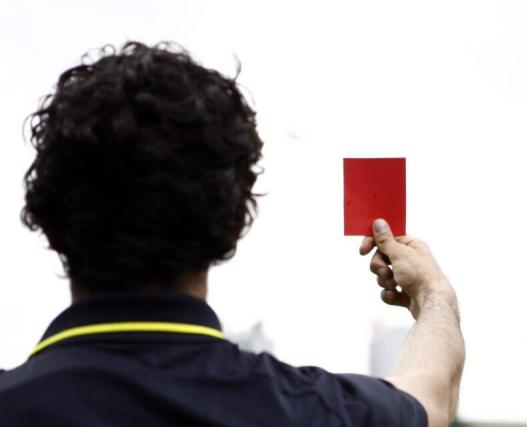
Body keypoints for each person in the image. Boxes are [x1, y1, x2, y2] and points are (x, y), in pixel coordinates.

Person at [0, 42, 465, 427]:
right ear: (232, 222)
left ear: (48, 220)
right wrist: (433, 294)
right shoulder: (315, 411)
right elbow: (430, 402)